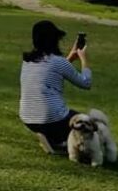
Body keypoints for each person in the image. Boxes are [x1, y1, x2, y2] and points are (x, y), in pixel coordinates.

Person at [19, 19, 93, 154]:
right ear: (55, 40)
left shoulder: (27, 60)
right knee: (86, 123)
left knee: (59, 124)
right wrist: (84, 60)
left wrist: (71, 55)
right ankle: (58, 144)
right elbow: (86, 83)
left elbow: (52, 69)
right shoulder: (58, 62)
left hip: (28, 118)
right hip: (52, 118)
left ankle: (49, 137)